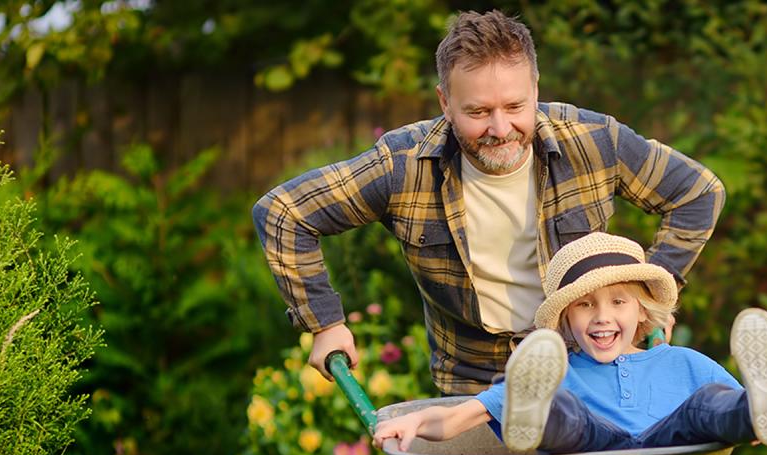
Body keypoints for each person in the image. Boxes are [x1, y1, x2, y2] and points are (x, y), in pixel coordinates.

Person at [252, 10, 726, 395]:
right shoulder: (405, 166)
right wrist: (325, 324)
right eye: (478, 112)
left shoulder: (594, 142)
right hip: (475, 383)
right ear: (445, 102)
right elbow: (284, 213)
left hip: (589, 364)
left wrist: (654, 294)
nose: (500, 129)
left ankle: (737, 405)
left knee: (671, 403)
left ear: (536, 91)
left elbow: (698, 192)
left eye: (516, 107)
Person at [372, 232, 767, 455]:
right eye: (585, 306)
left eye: (618, 302)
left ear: (642, 311)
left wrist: (753, 423)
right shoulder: (559, 371)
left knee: (706, 404)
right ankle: (536, 418)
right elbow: (459, 418)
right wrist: (415, 423)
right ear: (566, 320)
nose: (602, 317)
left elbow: (725, 421)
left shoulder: (682, 363)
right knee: (567, 413)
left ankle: (762, 404)